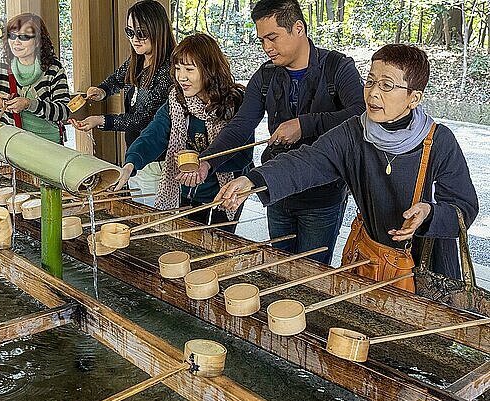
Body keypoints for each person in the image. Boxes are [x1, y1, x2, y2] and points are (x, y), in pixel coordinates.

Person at [215, 44, 479, 290]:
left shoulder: (439, 141)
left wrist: (429, 213)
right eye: (371, 81)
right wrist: (253, 180)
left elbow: (464, 208)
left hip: (427, 267)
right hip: (372, 259)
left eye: (387, 85)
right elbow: (308, 160)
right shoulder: (355, 132)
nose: (373, 92)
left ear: (414, 98)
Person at [178, 0, 365, 263]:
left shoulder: (337, 68)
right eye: (262, 40)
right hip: (275, 189)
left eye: (272, 38)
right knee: (279, 266)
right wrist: (208, 161)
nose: (267, 48)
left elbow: (362, 116)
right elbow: (241, 124)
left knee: (311, 274)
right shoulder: (265, 76)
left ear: (298, 28)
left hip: (322, 194)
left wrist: (306, 124)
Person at [113, 33, 254, 232]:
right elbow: (154, 134)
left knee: (219, 244)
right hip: (186, 188)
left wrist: (204, 162)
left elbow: (243, 155)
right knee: (189, 240)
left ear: (209, 70)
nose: (181, 77)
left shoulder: (236, 103)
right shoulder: (177, 101)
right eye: (178, 69)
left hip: (226, 189)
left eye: (189, 69)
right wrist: (130, 163)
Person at [70, 0, 175, 202]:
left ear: (158, 30)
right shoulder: (138, 59)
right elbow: (116, 79)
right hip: (135, 157)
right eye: (130, 32)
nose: (135, 39)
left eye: (141, 33)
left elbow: (143, 120)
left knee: (155, 222)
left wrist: (101, 120)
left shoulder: (168, 70)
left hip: (157, 161)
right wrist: (102, 91)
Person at [0, 13, 70, 144]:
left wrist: (29, 104)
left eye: (24, 37)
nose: (16, 42)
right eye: (12, 36)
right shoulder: (1, 66)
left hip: (48, 145)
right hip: (11, 145)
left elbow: (64, 111)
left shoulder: (53, 69)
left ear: (38, 41)